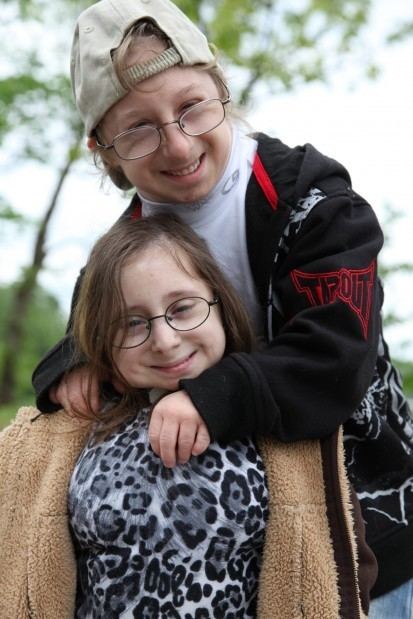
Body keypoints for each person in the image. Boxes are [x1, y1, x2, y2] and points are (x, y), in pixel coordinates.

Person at [31, 0, 413, 612]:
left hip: (369, 538)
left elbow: (334, 358)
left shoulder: (317, 207)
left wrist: (210, 396)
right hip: (222, 564)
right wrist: (72, 365)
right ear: (103, 149)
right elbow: (87, 330)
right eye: (138, 128)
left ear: (221, 88)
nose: (178, 146)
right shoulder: (118, 250)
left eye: (191, 108)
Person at [0, 213, 374, 617]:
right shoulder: (72, 429)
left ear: (220, 303)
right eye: (131, 323)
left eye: (182, 308)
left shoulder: (279, 419)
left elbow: (346, 569)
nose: (164, 340)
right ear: (99, 340)